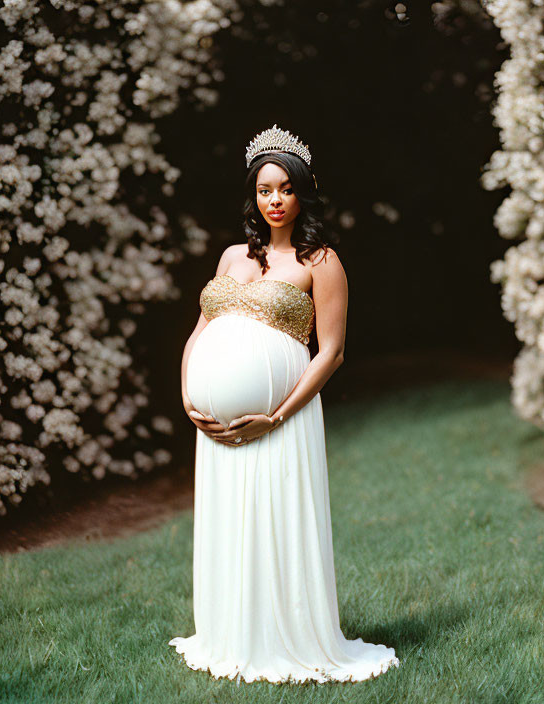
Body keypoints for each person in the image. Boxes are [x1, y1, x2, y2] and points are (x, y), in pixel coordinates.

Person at [168, 124, 400, 684]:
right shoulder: (229, 257)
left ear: (303, 193)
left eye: (286, 189)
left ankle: (285, 636)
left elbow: (332, 352)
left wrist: (275, 415)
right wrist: (188, 394)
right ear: (253, 195)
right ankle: (232, 632)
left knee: (275, 521)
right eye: (265, 189)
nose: (274, 200)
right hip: (217, 428)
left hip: (279, 421)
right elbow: (201, 330)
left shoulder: (321, 261)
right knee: (231, 524)